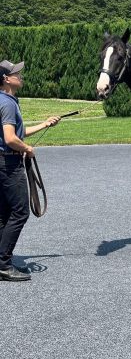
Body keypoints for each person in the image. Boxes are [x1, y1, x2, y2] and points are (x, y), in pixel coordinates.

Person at [0, 59, 60, 282]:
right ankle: (4, 264)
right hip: (9, 163)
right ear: (6, 79)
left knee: (5, 213)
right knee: (20, 212)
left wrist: (45, 124)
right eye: (16, 73)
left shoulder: (4, 100)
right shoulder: (7, 103)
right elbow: (10, 138)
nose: (20, 76)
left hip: (2, 162)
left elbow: (17, 132)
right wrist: (27, 149)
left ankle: (1, 260)